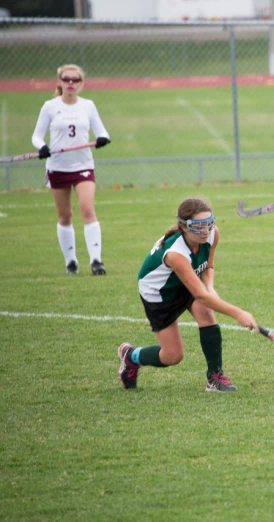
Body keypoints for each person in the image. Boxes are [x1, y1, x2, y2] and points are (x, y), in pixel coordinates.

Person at [117, 198, 258, 392]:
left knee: (206, 313)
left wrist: (210, 286)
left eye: (209, 223)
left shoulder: (212, 234)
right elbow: (200, 295)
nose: (206, 230)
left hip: (185, 279)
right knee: (173, 356)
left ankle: (215, 377)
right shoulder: (176, 253)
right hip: (159, 293)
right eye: (199, 226)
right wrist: (239, 313)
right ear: (184, 227)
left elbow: (208, 265)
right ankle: (131, 356)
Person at [31, 64, 111, 275]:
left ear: (80, 83)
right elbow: (36, 136)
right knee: (65, 216)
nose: (70, 83)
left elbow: (102, 131)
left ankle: (96, 261)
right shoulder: (50, 106)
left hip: (83, 164)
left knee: (87, 209)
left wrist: (102, 138)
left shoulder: (88, 106)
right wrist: (42, 148)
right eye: (66, 79)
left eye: (75, 80)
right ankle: (71, 262)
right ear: (59, 82)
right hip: (58, 166)